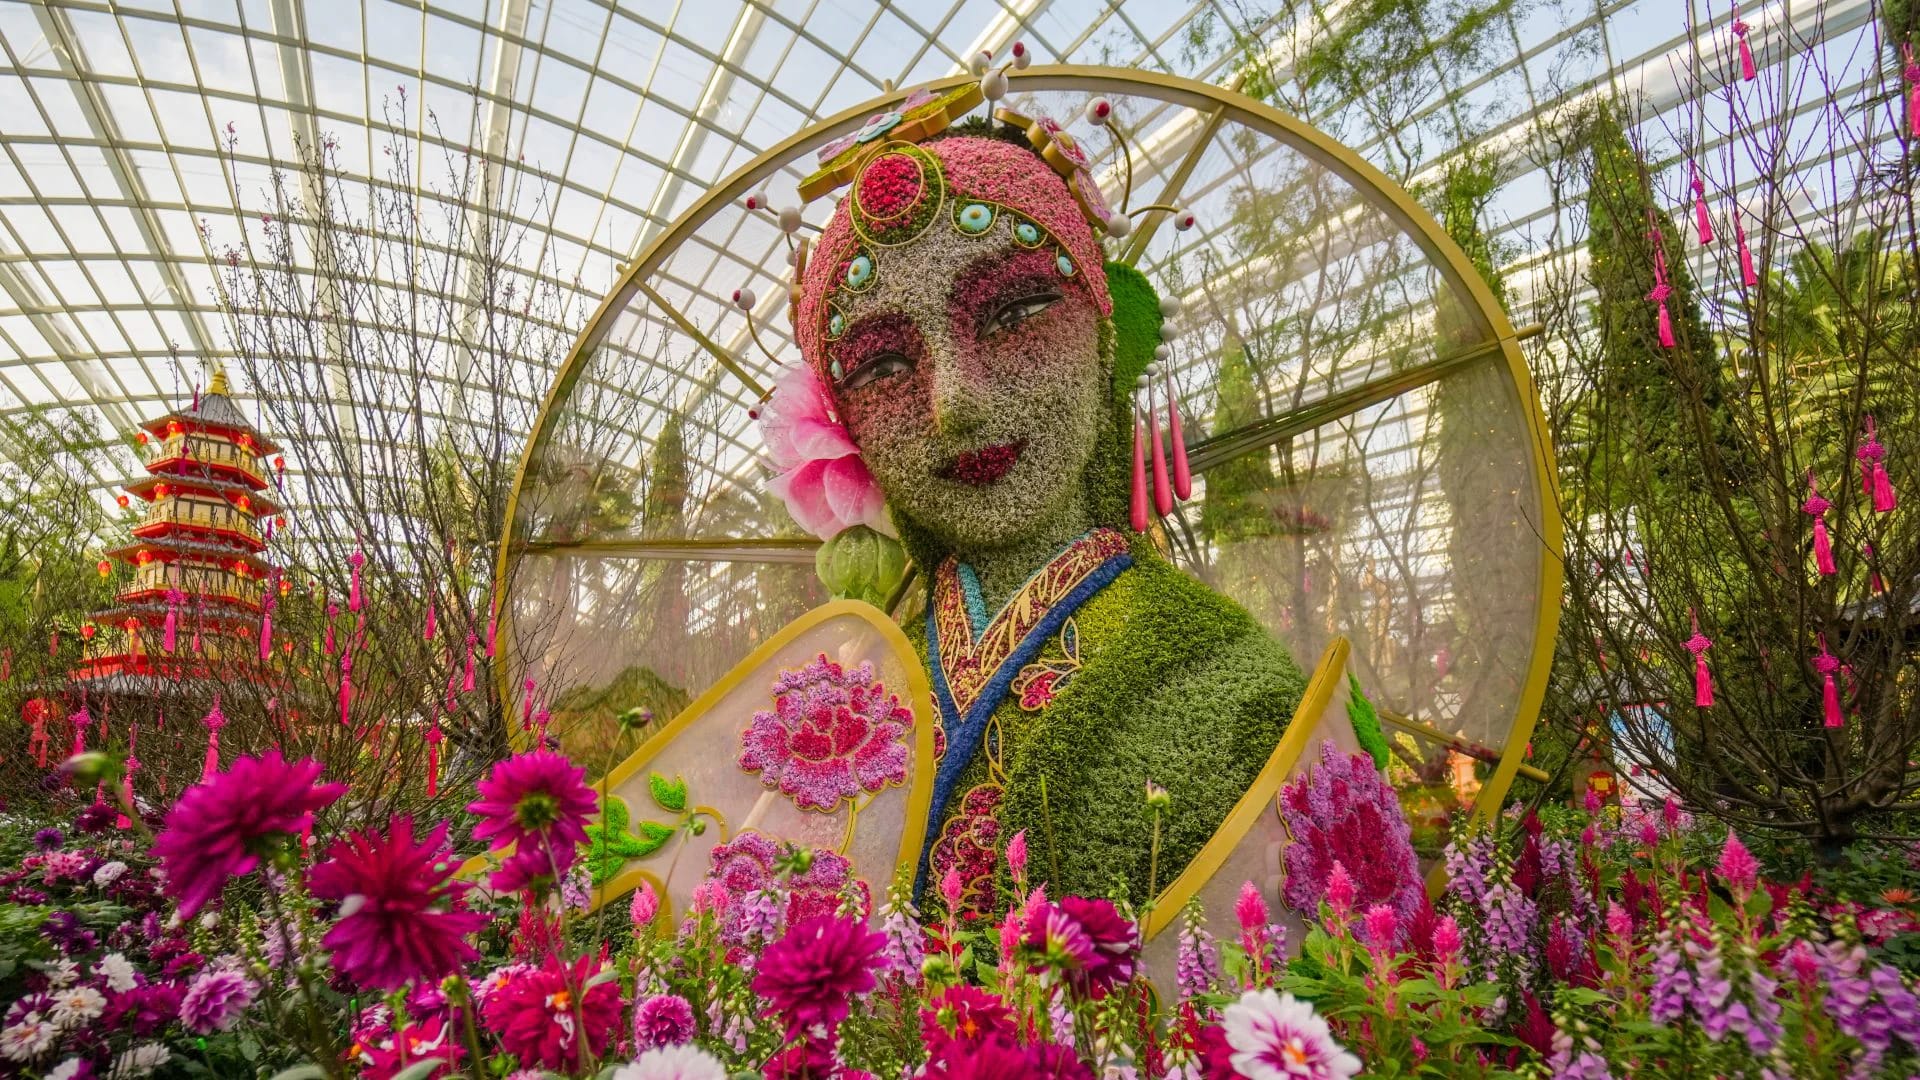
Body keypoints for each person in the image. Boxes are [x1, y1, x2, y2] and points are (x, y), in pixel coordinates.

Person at [776, 110, 1310, 917]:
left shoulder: (1237, 682)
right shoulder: (849, 696)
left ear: (1104, 343)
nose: (954, 404)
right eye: (884, 364)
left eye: (1015, 314)